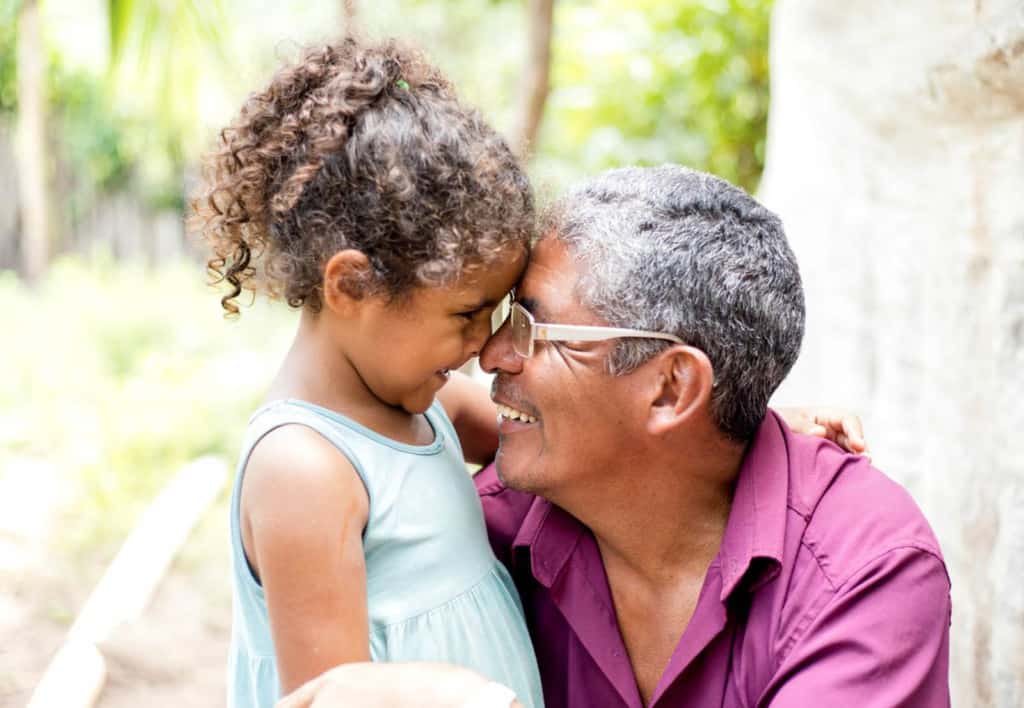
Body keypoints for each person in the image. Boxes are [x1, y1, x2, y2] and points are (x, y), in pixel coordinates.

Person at [279, 166, 950, 708]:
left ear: (670, 389)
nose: (490, 357)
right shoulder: (487, 536)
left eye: (533, 331)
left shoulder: (863, 569)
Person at [192, 36, 544, 708]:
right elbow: (329, 696)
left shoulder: (427, 403)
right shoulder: (305, 468)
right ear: (352, 286)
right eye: (467, 314)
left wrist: (734, 428)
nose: (482, 343)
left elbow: (556, 432)